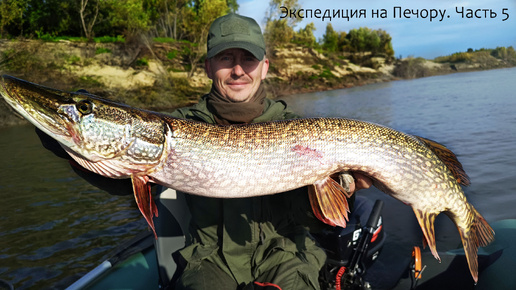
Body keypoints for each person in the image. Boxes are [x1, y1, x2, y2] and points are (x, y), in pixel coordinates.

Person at [168, 13, 372, 290]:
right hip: (208, 260)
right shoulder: (181, 125)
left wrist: (343, 189)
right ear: (208, 66)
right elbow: (118, 176)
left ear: (264, 67)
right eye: (225, 58)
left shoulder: (296, 127)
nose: (238, 70)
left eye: (248, 59)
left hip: (286, 253)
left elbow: (307, 219)